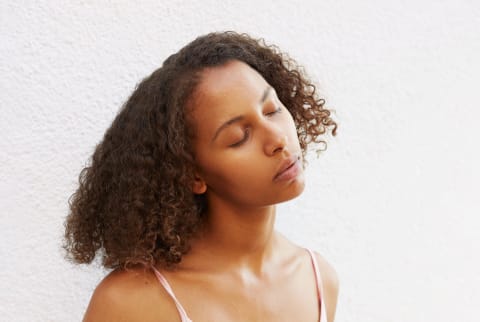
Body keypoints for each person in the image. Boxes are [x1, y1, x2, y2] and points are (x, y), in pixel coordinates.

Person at [64, 31, 339, 322]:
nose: (278, 139)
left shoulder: (318, 281)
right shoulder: (131, 303)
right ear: (193, 174)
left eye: (272, 110)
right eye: (238, 138)